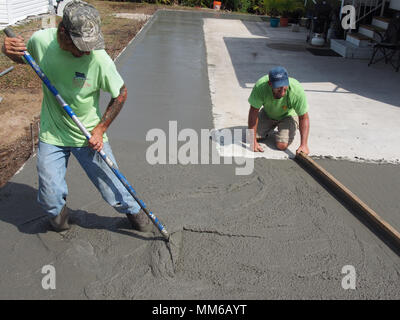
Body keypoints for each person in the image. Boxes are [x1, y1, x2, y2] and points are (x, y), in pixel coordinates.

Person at [2, 0, 152, 232]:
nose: (86, 50)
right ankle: (60, 218)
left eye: (90, 44)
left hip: (87, 135)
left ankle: (137, 216)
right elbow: (24, 58)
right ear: (63, 32)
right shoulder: (42, 41)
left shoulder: (98, 59)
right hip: (52, 133)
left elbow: (120, 93)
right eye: (80, 45)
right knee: (50, 198)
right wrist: (9, 52)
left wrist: (101, 129)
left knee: (113, 188)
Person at [247, 66, 310, 154]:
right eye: (278, 89)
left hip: (288, 116)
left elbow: (304, 117)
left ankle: (288, 127)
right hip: (268, 113)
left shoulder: (296, 90)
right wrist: (253, 142)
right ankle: (270, 125)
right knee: (251, 137)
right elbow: (253, 112)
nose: (282, 93)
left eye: (284, 88)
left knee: (281, 145)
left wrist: (304, 145)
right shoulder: (261, 87)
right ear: (270, 84)